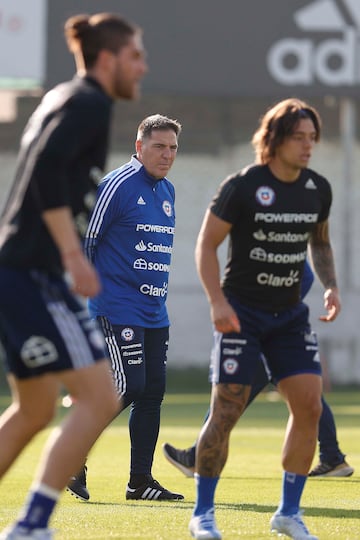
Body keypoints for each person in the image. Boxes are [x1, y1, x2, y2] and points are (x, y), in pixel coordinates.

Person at [0, 12, 147, 540]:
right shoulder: (86, 102)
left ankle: (30, 524)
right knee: (102, 397)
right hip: (32, 274)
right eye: (135, 56)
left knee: (36, 408)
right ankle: (33, 524)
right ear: (108, 59)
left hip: (23, 272)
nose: (143, 67)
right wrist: (73, 254)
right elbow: (44, 176)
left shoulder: (70, 98)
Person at [187, 98, 341, 540]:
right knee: (227, 408)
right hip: (242, 314)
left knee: (310, 405)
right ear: (274, 139)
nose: (308, 146)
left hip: (290, 316)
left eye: (313, 137)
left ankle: (288, 513)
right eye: (299, 137)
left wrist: (330, 285)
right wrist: (217, 302)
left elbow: (322, 244)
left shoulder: (317, 188)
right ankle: (203, 514)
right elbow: (205, 246)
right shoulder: (243, 186)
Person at [70, 114, 183, 503]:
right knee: (128, 385)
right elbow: (85, 239)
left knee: (152, 392)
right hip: (115, 308)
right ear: (139, 147)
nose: (167, 155)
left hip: (155, 310)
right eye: (158, 146)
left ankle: (140, 482)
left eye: (172, 148)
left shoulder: (167, 190)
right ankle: (72, 455)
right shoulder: (116, 185)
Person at [163, 263, 354, 480]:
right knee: (304, 398)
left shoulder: (284, 248)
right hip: (264, 333)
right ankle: (332, 456)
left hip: (267, 336)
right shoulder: (265, 250)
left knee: (229, 397)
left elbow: (306, 277)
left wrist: (275, 314)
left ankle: (196, 457)